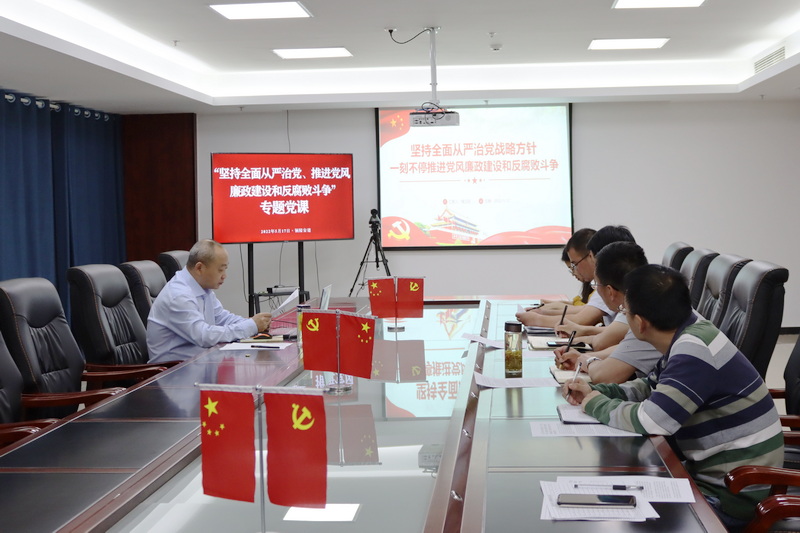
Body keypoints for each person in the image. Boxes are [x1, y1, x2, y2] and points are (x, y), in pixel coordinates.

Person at [563, 264, 783, 528]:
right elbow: (650, 387)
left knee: (618, 513)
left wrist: (595, 404)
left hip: (731, 495)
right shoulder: (690, 332)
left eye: (624, 311)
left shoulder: (694, 350)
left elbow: (653, 420)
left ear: (640, 323)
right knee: (617, 496)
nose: (624, 316)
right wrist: (600, 392)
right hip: (716, 478)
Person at [147, 239, 272, 363]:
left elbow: (222, 318)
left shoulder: (202, 288)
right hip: (174, 370)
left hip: (199, 363)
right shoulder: (179, 295)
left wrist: (253, 323)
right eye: (220, 270)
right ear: (199, 268)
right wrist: (251, 326)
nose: (224, 275)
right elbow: (204, 336)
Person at [554, 241, 662, 383]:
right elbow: (628, 348)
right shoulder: (649, 301)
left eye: (595, 284)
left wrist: (588, 361)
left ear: (610, 291)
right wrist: (583, 357)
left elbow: (604, 376)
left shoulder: (644, 317)